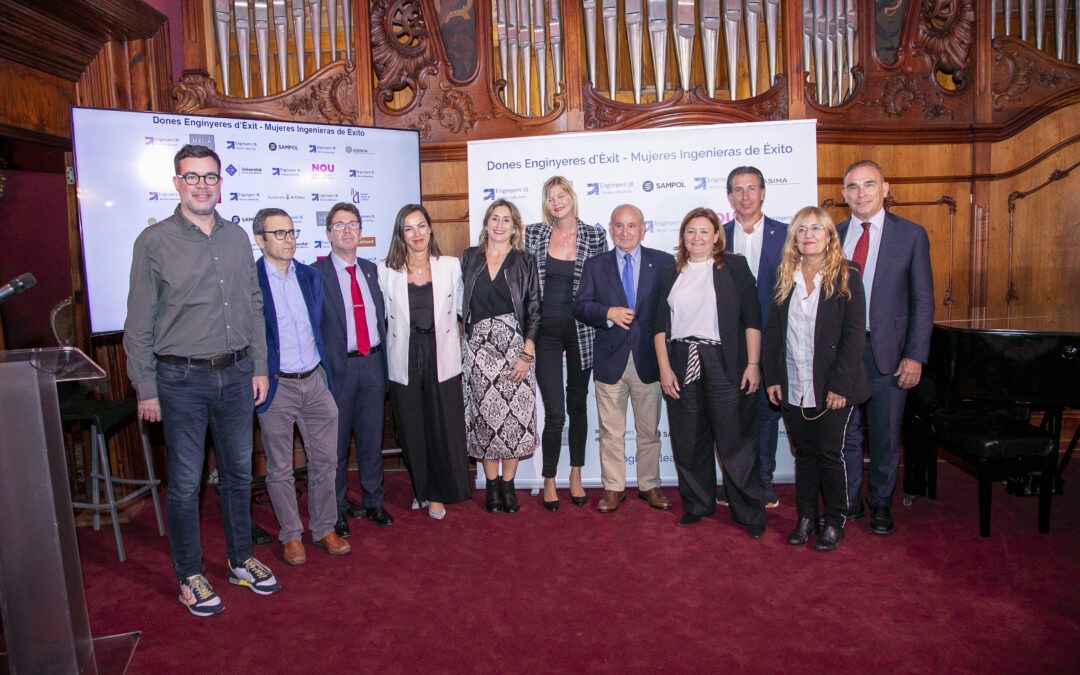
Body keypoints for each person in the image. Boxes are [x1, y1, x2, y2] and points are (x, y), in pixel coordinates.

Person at [124, 144, 278, 617]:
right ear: (176, 184)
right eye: (191, 177)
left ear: (220, 181)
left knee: (236, 475)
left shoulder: (236, 238)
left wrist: (259, 365)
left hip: (236, 376)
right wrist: (145, 387)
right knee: (187, 483)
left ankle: (238, 559)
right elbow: (138, 323)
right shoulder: (153, 242)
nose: (202, 185)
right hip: (179, 380)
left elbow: (253, 305)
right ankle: (190, 574)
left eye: (209, 176)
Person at [653, 207, 767, 537]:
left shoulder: (734, 267)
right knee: (689, 439)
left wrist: (753, 364)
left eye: (704, 231)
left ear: (717, 235)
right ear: (683, 237)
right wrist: (664, 368)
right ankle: (698, 504)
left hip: (724, 361)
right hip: (682, 358)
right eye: (691, 231)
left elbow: (752, 319)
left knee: (735, 440)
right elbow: (660, 325)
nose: (697, 237)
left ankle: (749, 510)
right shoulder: (670, 272)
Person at [763, 206, 869, 552]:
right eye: (801, 229)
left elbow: (854, 337)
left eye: (816, 229)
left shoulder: (847, 274)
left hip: (834, 386)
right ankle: (807, 517)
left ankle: (834, 520)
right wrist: (774, 377)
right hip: (794, 381)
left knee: (829, 453)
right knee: (804, 453)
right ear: (794, 237)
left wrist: (840, 386)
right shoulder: (785, 275)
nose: (808, 235)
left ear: (829, 237)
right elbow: (773, 333)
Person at [837, 160, 934, 535]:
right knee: (845, 433)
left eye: (869, 185)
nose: (861, 193)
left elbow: (923, 301)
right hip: (843, 354)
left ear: (885, 188)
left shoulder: (910, 235)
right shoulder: (835, 233)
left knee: (885, 435)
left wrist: (915, 355)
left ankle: (880, 503)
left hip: (890, 354)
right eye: (853, 187)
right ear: (844, 194)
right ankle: (848, 501)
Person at [252, 207, 349, 565]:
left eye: (291, 232)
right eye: (279, 233)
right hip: (277, 386)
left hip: (314, 380)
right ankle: (291, 536)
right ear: (260, 240)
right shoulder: (251, 281)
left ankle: (324, 527)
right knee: (279, 468)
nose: (289, 239)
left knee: (326, 461)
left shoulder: (310, 276)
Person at [573, 204, 674, 513]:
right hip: (610, 360)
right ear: (610, 228)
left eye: (632, 226)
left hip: (649, 360)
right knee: (611, 432)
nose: (625, 232)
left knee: (649, 431)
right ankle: (613, 488)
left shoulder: (665, 262)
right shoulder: (595, 265)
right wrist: (607, 313)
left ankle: (649, 485)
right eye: (619, 225)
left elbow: (671, 312)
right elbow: (580, 306)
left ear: (643, 229)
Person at [378, 204, 470, 520]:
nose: (416, 234)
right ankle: (424, 490)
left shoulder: (450, 266)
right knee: (413, 427)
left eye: (421, 226)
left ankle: (441, 490)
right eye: (409, 228)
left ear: (430, 228)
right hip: (404, 356)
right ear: (400, 234)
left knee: (442, 425)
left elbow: (464, 309)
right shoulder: (385, 271)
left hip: (441, 352)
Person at [524, 176, 607, 510]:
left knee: (577, 405)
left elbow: (602, 283)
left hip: (582, 331)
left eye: (562, 195)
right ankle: (548, 479)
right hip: (544, 332)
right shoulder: (534, 234)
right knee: (555, 412)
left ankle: (575, 474)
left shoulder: (595, 235)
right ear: (546, 204)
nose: (557, 201)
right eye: (550, 197)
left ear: (572, 197)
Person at [312, 202, 394, 536]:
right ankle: (336, 509)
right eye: (340, 225)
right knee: (335, 446)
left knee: (371, 438)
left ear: (361, 230)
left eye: (353, 224)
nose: (348, 231)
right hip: (338, 368)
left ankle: (374, 501)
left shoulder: (372, 270)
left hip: (372, 363)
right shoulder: (315, 274)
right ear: (328, 233)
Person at [461, 199, 540, 514]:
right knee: (486, 419)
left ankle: (508, 486)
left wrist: (526, 354)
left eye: (506, 220)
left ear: (515, 227)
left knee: (513, 422)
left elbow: (534, 308)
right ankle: (491, 488)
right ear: (486, 223)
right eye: (494, 218)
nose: (499, 224)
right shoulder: (469, 258)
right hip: (479, 351)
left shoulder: (525, 261)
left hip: (515, 350)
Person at [719, 166, 788, 508]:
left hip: (773, 339)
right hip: (727, 343)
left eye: (751, 188)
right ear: (729, 197)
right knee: (730, 415)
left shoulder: (788, 235)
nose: (745, 195)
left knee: (765, 414)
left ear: (763, 192)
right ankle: (734, 481)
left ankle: (763, 480)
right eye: (737, 190)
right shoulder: (718, 236)